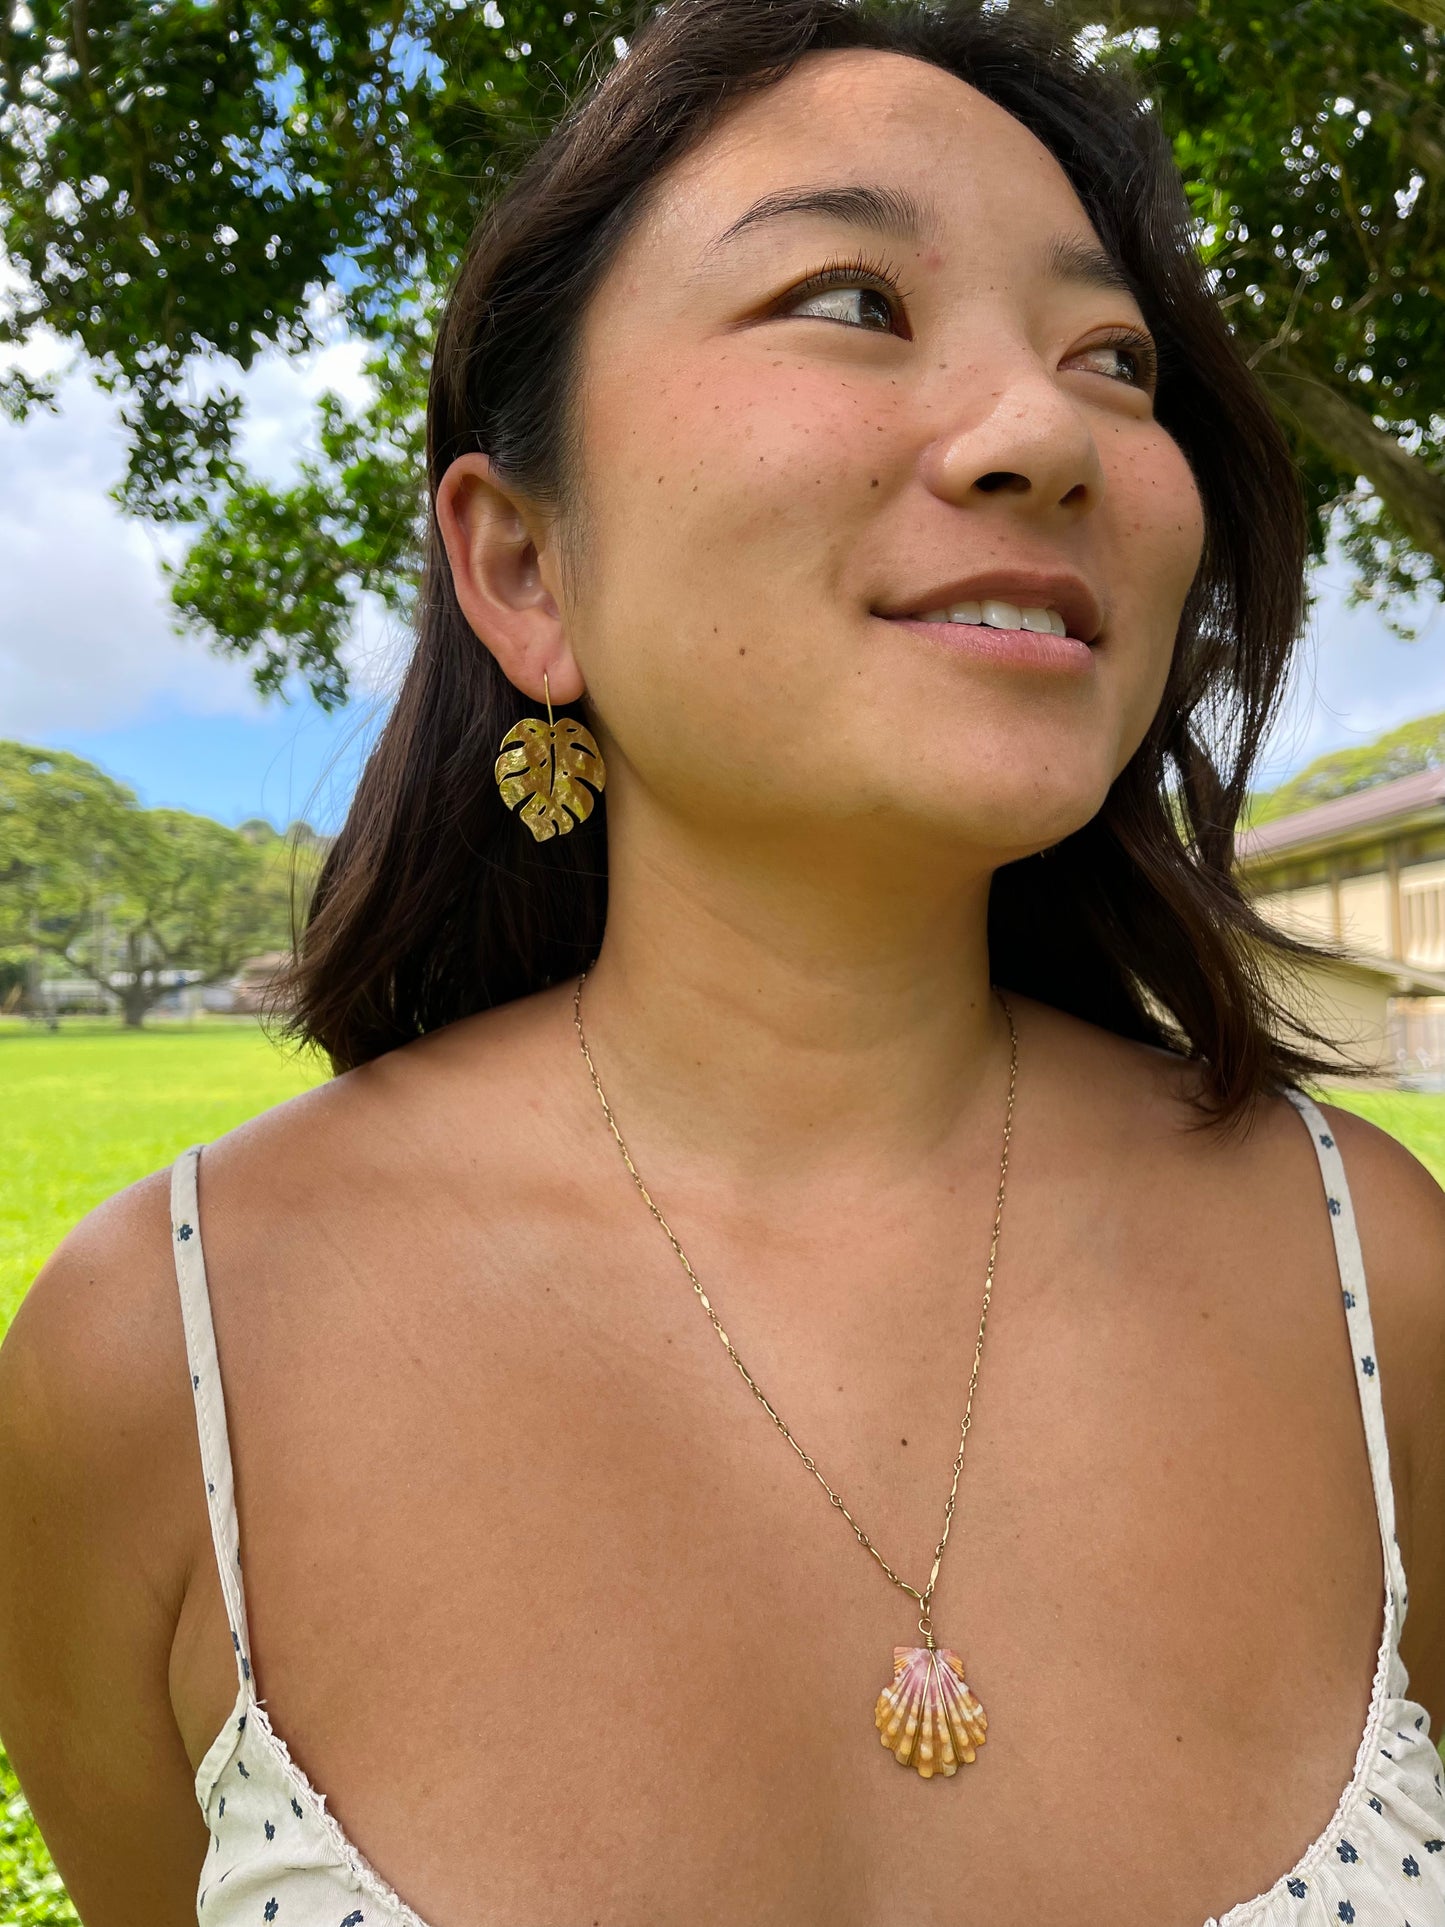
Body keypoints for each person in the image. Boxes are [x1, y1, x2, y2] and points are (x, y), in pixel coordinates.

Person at [2, 0, 1443, 1921]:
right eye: (851, 302)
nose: (1046, 432)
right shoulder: (153, 1364)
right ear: (524, 568)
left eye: (1112, 358)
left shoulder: (1379, 1285)